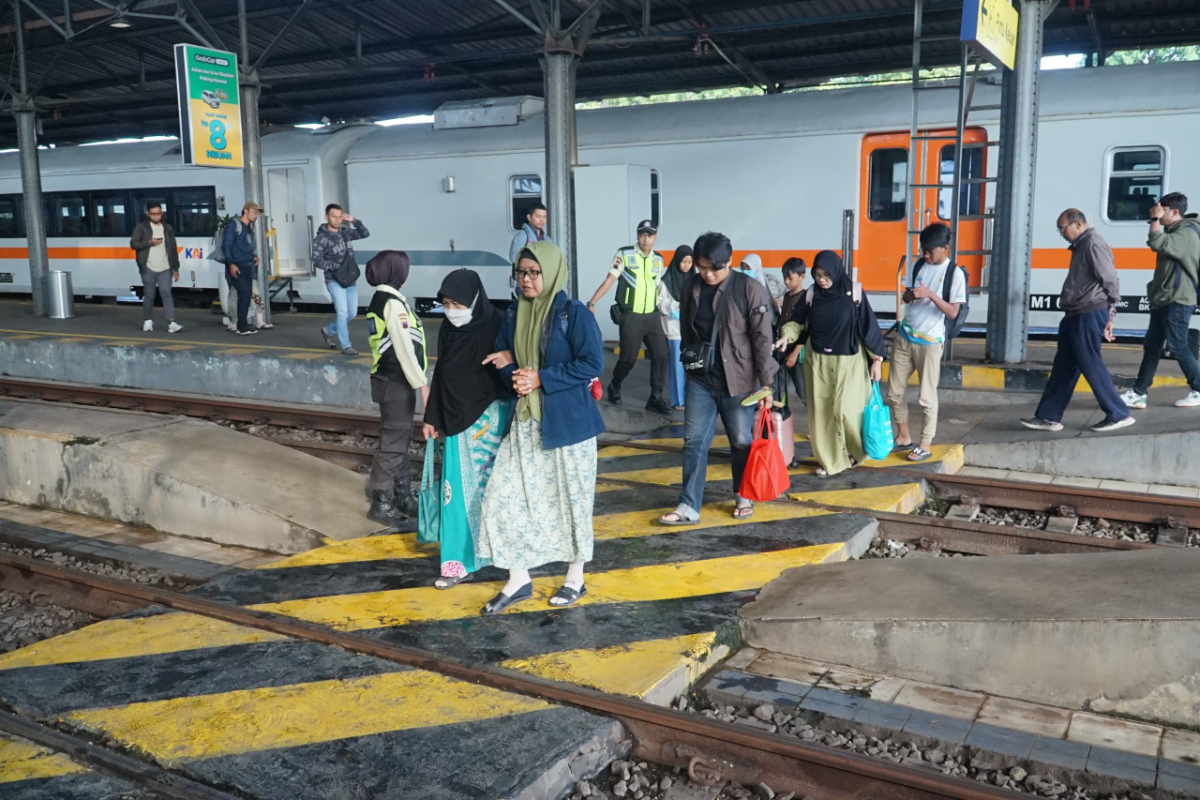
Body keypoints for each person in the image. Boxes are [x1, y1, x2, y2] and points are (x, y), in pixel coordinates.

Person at [477, 241, 605, 615]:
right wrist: (512, 371)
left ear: (550, 273)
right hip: (527, 423)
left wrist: (540, 378)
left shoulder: (573, 313)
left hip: (568, 426)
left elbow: (591, 362)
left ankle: (575, 577)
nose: (527, 280)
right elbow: (506, 361)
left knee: (572, 503)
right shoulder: (515, 313)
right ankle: (519, 579)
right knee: (503, 497)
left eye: (534, 273)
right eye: (521, 273)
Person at [658, 231, 777, 525]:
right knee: (694, 441)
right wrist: (689, 362)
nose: (708, 274)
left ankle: (742, 494)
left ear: (730, 262)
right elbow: (687, 329)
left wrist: (767, 383)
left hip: (739, 380)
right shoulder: (691, 287)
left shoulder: (749, 289)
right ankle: (688, 505)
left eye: (715, 268)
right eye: (703, 268)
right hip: (701, 378)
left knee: (740, 439)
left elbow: (762, 338)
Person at [421, 270, 511, 589]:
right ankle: (456, 563)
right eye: (446, 303)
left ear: (474, 299)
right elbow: (442, 371)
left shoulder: (500, 323)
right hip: (458, 420)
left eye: (457, 303)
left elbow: (517, 365)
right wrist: (432, 417)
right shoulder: (448, 328)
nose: (451, 310)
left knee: (498, 491)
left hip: (493, 418)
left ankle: (505, 559)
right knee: (455, 494)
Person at [1022, 210, 1133, 433]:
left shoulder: (1093, 243)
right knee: (1064, 367)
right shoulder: (1082, 245)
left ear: (1078, 224)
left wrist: (1111, 314)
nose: (1061, 233)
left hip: (1088, 313)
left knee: (1090, 363)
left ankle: (1118, 413)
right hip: (1075, 314)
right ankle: (1048, 416)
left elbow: (1110, 279)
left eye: (1063, 228)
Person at [778, 250, 885, 477]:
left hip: (851, 362)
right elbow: (796, 323)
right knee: (823, 415)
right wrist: (787, 335)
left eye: (827, 274)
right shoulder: (811, 294)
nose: (822, 280)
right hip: (818, 363)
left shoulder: (854, 292)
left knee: (848, 410)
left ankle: (857, 452)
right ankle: (832, 461)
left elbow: (868, 328)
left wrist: (876, 360)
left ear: (837, 271)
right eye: (817, 275)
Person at [885, 223, 968, 461]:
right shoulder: (918, 264)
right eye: (923, 250)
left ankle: (926, 443)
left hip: (931, 342)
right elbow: (906, 296)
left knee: (926, 396)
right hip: (905, 336)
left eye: (931, 252)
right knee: (894, 392)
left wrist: (931, 294)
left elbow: (952, 312)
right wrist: (912, 294)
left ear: (945, 248)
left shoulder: (955, 274)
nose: (926, 255)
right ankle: (903, 436)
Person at [364, 251, 429, 528]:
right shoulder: (392, 303)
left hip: (390, 380)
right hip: (396, 381)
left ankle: (401, 495)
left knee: (399, 439)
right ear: (395, 271)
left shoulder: (385, 300)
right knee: (393, 443)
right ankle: (381, 501)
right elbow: (403, 348)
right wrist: (422, 384)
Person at [1121, 192, 1200, 410]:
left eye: (1161, 209)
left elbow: (1156, 242)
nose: (1155, 213)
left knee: (1178, 345)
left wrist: (1154, 220)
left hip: (1178, 298)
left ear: (1174, 212)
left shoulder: (1187, 233)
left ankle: (1199, 388)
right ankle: (1139, 392)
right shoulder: (1175, 230)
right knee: (1152, 346)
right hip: (1165, 298)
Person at [586, 219, 671, 416]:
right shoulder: (624, 254)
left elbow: (658, 288)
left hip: (652, 315)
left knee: (661, 354)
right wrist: (592, 302)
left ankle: (655, 398)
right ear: (637, 235)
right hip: (631, 315)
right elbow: (610, 280)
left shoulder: (658, 259)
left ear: (655, 237)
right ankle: (615, 385)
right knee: (628, 358)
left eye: (649, 235)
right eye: (642, 234)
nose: (645, 238)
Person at [313, 204, 370, 356]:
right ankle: (346, 345)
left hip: (349, 278)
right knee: (343, 313)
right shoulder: (321, 238)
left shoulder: (345, 232)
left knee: (352, 313)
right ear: (326, 217)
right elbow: (316, 260)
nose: (337, 220)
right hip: (333, 279)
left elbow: (365, 233)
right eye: (334, 216)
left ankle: (328, 330)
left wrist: (353, 220)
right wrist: (333, 266)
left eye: (340, 217)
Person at [129, 203, 182, 333]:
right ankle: (148, 320)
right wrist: (149, 243)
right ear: (148, 214)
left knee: (166, 293)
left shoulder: (167, 228)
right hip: (148, 267)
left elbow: (173, 249)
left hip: (165, 267)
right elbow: (133, 244)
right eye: (153, 214)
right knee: (149, 295)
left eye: (158, 213)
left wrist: (175, 268)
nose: (156, 216)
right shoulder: (142, 227)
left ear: (162, 213)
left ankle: (171, 322)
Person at [777, 257, 808, 469]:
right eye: (785, 277)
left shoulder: (806, 298)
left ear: (802, 277)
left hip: (796, 353)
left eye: (791, 277)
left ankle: (818, 428)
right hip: (783, 350)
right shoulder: (787, 296)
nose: (787, 281)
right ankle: (783, 436)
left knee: (804, 392)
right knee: (780, 394)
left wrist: (794, 353)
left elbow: (804, 329)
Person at [657, 245, 693, 411]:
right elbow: (660, 302)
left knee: (693, 365)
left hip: (692, 330)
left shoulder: (695, 280)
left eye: (689, 262)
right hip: (674, 329)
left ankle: (693, 398)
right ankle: (678, 400)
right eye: (684, 262)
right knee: (677, 366)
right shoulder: (667, 281)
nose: (686, 265)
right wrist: (676, 306)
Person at [220, 201, 261, 335]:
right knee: (243, 294)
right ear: (246, 211)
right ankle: (241, 326)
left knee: (246, 295)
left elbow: (246, 246)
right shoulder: (233, 225)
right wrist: (231, 264)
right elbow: (227, 245)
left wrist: (253, 256)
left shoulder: (249, 227)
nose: (256, 215)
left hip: (248, 265)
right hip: (236, 266)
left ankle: (242, 325)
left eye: (258, 213)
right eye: (254, 212)